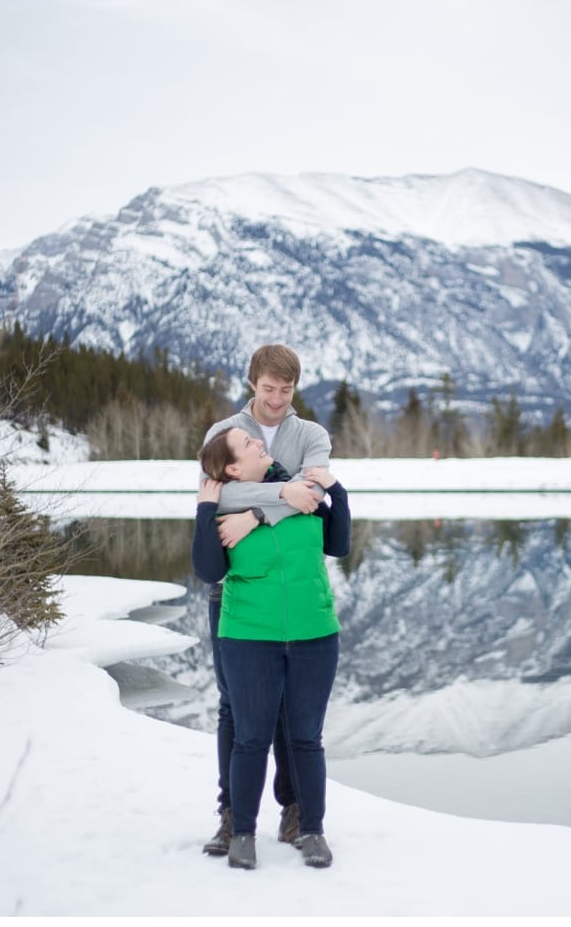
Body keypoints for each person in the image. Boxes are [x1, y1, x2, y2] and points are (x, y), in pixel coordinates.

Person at [194, 345, 333, 857]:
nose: (276, 399)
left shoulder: (311, 435)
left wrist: (257, 515)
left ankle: (295, 813)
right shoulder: (222, 432)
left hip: (295, 593)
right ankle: (232, 816)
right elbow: (215, 497)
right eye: (268, 388)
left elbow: (315, 495)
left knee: (292, 718)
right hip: (232, 590)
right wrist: (283, 498)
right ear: (252, 382)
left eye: (286, 389)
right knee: (235, 709)